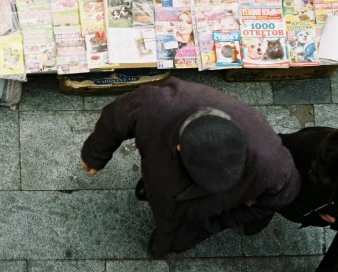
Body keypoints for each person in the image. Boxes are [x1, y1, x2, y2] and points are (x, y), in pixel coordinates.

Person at [81, 77, 301, 259]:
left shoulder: (273, 167)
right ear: (179, 147)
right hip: (162, 173)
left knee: (182, 238)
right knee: (158, 185)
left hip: (205, 215)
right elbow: (116, 117)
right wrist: (95, 155)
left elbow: (282, 197)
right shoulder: (157, 104)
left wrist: (224, 220)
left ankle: (170, 244)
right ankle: (150, 193)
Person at [245, 127, 338, 271]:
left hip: (311, 211)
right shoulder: (315, 144)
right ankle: (266, 211)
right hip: (288, 188)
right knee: (272, 198)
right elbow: (274, 148)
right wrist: (257, 192)